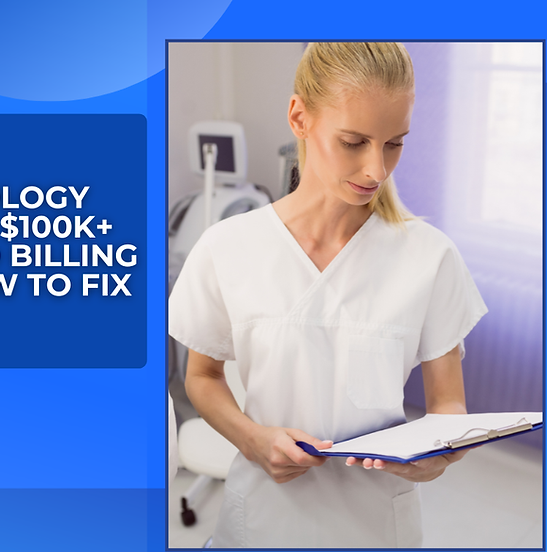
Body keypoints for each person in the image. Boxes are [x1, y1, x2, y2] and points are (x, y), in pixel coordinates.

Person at [168, 42, 487, 548]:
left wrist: (439, 453)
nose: (376, 171)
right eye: (354, 141)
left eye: (394, 143)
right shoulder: (228, 247)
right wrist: (252, 439)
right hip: (263, 519)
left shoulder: (430, 257)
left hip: (378, 523)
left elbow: (449, 404)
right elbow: (201, 378)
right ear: (300, 118)